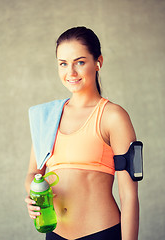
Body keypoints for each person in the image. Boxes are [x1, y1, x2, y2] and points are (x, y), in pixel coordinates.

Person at [25, 26, 139, 240]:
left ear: (98, 63)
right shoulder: (47, 117)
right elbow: (33, 174)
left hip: (101, 233)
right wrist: (33, 196)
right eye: (63, 64)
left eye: (80, 62)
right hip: (54, 233)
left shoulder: (113, 117)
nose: (71, 73)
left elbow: (129, 195)